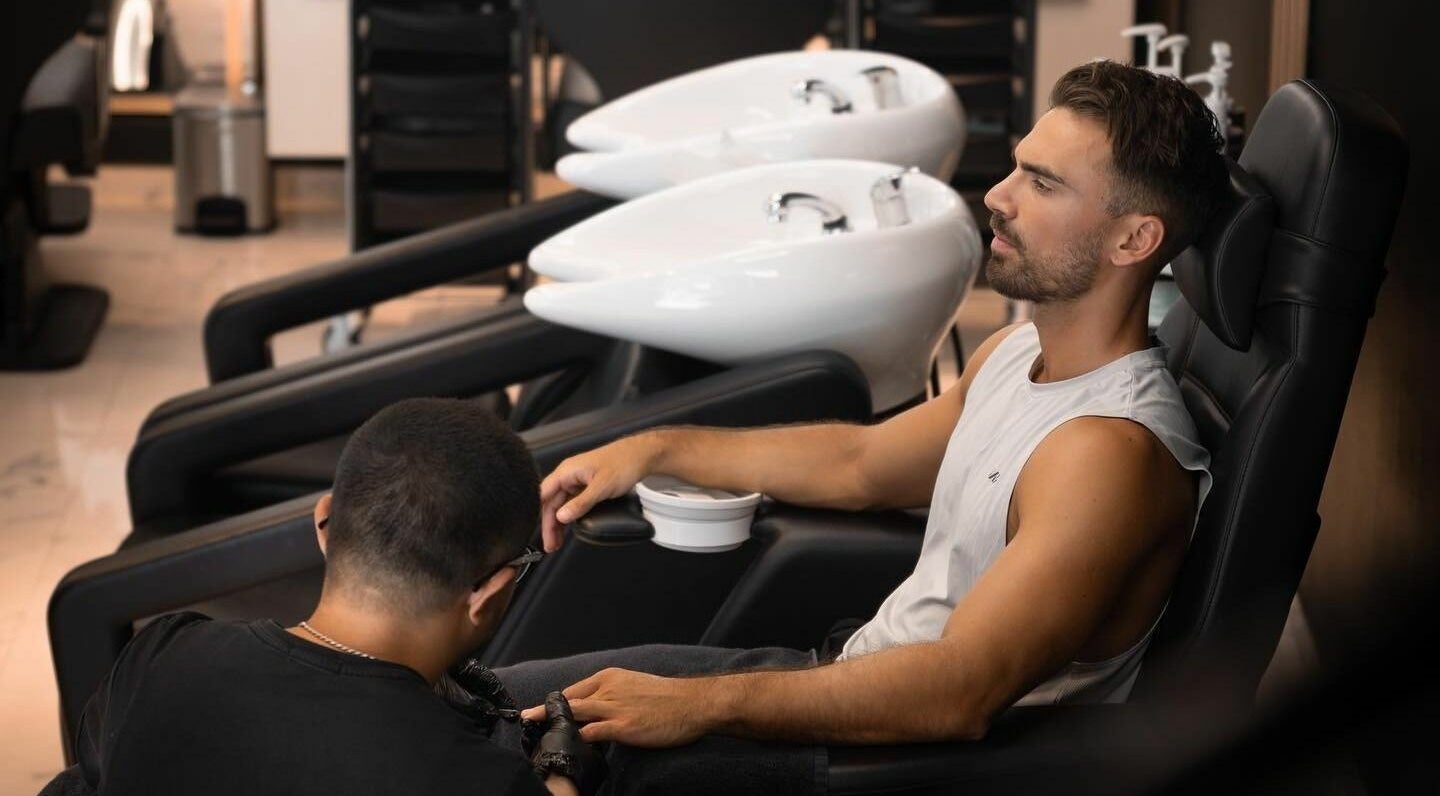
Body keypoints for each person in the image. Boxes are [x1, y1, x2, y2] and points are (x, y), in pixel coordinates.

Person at [494, 59, 1228, 786]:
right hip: (851, 681)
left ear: (1133, 240)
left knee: (496, 750)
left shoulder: (1107, 452)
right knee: (491, 702)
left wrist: (700, 705)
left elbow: (962, 690)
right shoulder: (1016, 353)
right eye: (1016, 167)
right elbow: (861, 464)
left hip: (905, 762)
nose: (998, 196)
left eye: (1043, 183)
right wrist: (658, 449)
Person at [58, 398, 604, 796]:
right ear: (489, 591)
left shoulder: (162, 654)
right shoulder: (480, 779)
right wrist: (562, 776)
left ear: (323, 523)